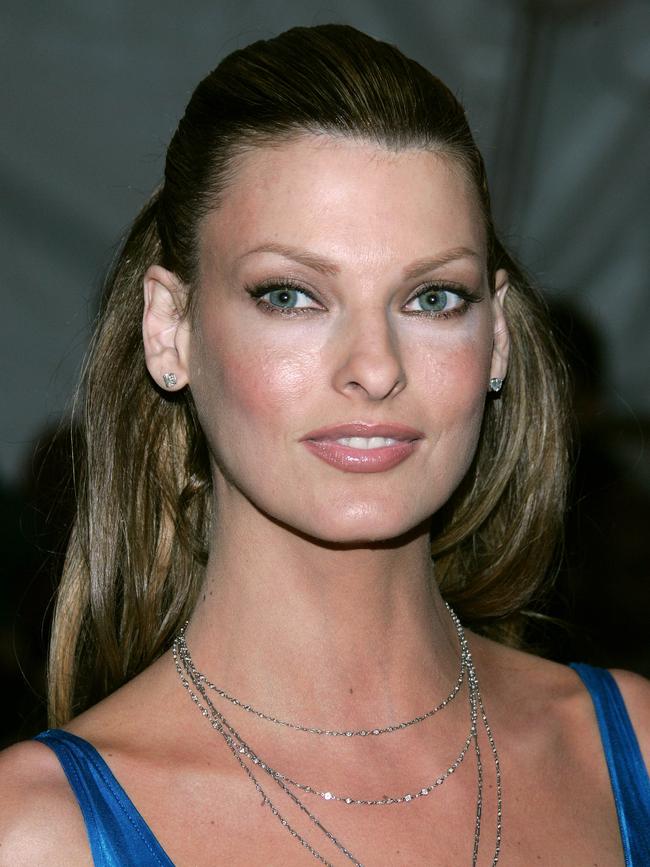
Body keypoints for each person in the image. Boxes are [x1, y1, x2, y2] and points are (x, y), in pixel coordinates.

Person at [1, 23, 648, 866]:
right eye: (291, 295)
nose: (375, 369)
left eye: (433, 299)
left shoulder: (627, 753)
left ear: (496, 340)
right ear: (171, 330)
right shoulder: (36, 831)